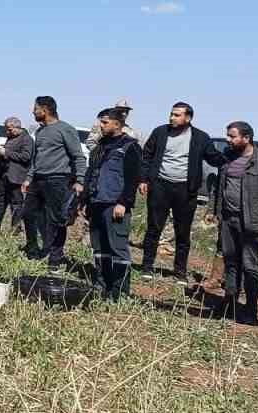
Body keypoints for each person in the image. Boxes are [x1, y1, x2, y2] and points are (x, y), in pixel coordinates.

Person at [213, 121, 258, 325]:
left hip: (252, 222)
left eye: (232, 136)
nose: (228, 139)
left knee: (249, 265)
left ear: (246, 138)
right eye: (228, 135)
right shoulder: (228, 157)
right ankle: (229, 302)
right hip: (228, 219)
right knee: (230, 261)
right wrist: (214, 210)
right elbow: (219, 186)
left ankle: (251, 309)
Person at [136, 103, 212, 280]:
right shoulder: (160, 132)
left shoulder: (200, 137)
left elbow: (213, 156)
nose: (172, 118)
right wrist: (143, 179)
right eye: (171, 114)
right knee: (154, 228)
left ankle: (179, 272)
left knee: (183, 232)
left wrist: (231, 156)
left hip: (186, 189)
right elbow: (147, 155)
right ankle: (147, 267)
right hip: (160, 186)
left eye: (177, 115)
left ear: (188, 118)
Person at [84, 109, 143, 299]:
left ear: (117, 124)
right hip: (96, 203)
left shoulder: (130, 147)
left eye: (104, 122)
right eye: (100, 122)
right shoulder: (100, 146)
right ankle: (102, 285)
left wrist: (123, 203)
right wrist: (84, 200)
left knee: (117, 248)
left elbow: (133, 178)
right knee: (99, 248)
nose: (100, 126)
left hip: (115, 205)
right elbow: (91, 173)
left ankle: (119, 293)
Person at [22, 95, 87, 268]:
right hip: (38, 180)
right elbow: (36, 158)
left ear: (45, 110)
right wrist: (29, 178)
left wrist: (80, 180)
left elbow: (78, 157)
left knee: (56, 219)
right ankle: (33, 250)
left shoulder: (65, 129)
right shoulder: (40, 131)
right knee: (28, 214)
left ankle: (55, 258)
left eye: (35, 109)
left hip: (58, 180)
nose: (33, 112)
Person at [0, 116, 34, 230]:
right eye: (6, 129)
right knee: (0, 201)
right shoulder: (10, 137)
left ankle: (15, 229)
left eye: (9, 129)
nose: (7, 132)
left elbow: (26, 157)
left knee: (16, 204)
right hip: (4, 176)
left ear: (17, 127)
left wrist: (6, 152)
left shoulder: (26, 139)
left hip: (16, 178)